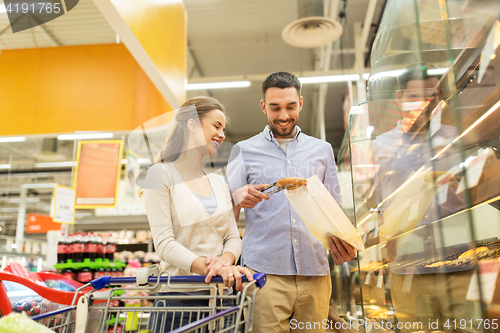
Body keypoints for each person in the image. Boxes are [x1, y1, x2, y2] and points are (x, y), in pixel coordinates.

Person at [226, 71, 356, 333]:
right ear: (263, 106)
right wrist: (235, 197)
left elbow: (334, 208)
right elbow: (225, 216)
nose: (283, 115)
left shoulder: (322, 150)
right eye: (275, 107)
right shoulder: (243, 150)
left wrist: (346, 243)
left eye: (290, 106)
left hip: (315, 272)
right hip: (264, 275)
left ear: (301, 103)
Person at [142, 96, 253, 332]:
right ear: (191, 125)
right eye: (216, 126)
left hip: (222, 302)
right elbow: (164, 244)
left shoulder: (218, 181)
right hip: (178, 302)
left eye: (223, 128)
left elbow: (233, 236)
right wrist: (211, 269)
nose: (222, 134)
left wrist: (224, 262)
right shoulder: (160, 175)